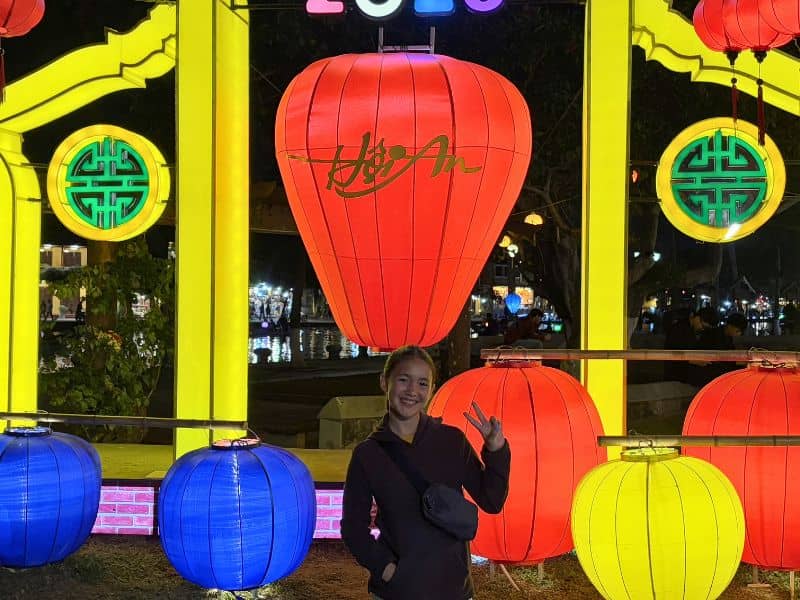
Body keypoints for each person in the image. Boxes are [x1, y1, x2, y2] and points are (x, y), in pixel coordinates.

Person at [341, 346, 511, 600]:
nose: (412, 391)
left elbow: (492, 500)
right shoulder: (368, 454)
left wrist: (496, 450)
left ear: (431, 389)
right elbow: (353, 528)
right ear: (384, 382)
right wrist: (388, 570)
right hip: (398, 592)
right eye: (403, 380)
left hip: (454, 590)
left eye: (422, 383)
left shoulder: (451, 441)